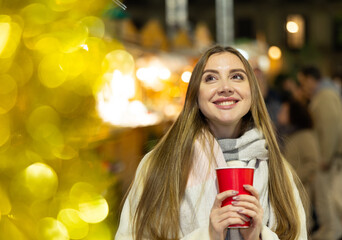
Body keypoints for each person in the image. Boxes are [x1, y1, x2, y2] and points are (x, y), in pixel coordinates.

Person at [115, 46, 307, 240]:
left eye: (237, 77)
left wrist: (258, 237)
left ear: (253, 91)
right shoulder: (159, 164)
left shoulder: (277, 169)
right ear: (195, 95)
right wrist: (207, 235)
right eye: (211, 78)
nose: (225, 87)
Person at [297, 66, 342, 240]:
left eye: (303, 82)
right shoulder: (326, 94)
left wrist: (324, 157)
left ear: (310, 79)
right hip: (330, 156)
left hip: (328, 158)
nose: (303, 87)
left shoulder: (324, 96)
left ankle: (331, 231)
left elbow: (330, 127)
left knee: (328, 200)